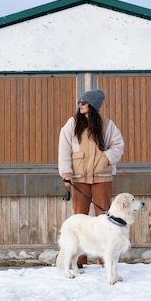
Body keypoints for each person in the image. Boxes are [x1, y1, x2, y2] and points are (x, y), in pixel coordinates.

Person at [58, 89, 124, 268]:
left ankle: (105, 258)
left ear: (93, 105)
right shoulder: (72, 124)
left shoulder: (107, 125)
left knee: (104, 217)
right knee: (79, 218)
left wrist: (106, 158)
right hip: (78, 178)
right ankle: (78, 259)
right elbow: (64, 148)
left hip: (102, 177)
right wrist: (66, 173)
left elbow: (118, 145)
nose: (80, 104)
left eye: (84, 102)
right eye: (80, 101)